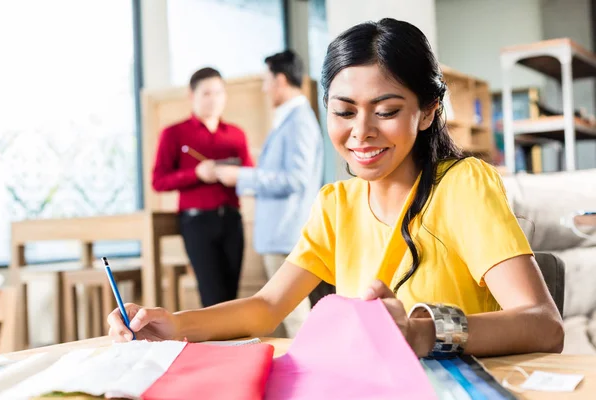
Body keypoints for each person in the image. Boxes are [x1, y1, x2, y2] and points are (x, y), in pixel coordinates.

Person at [110, 19, 564, 358]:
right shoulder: (336, 203)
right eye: (344, 112)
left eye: (385, 110)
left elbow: (544, 326)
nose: (360, 132)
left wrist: (424, 331)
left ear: (427, 112)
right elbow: (267, 306)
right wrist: (174, 324)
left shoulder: (462, 185)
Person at [214, 50, 326, 337]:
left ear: (280, 79)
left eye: (266, 80)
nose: (264, 88)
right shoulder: (290, 119)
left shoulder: (299, 120)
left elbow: (295, 179)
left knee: (295, 317)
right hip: (280, 234)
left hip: (285, 233)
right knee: (287, 317)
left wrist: (241, 176)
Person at [151, 67, 253, 308]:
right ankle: (216, 346)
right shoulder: (174, 133)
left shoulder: (236, 134)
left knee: (232, 296)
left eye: (218, 93)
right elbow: (159, 181)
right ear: (192, 95)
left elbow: (250, 174)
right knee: (212, 296)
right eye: (207, 93)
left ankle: (234, 346)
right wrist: (195, 173)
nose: (213, 99)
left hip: (232, 221)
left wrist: (236, 175)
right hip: (196, 223)